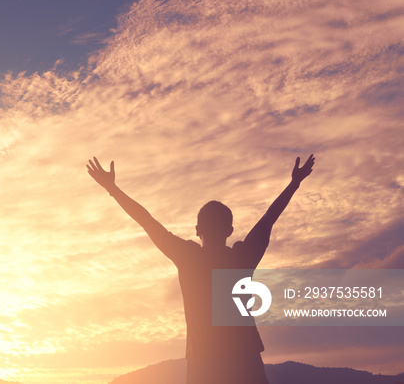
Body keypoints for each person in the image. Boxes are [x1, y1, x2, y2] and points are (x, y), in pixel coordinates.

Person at [87, 154, 315, 384]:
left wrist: (113, 189)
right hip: (245, 360)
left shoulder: (188, 258)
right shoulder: (242, 257)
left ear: (197, 230)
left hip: (205, 363)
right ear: (230, 230)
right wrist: (294, 183)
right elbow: (269, 219)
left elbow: (147, 221)